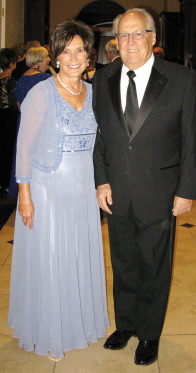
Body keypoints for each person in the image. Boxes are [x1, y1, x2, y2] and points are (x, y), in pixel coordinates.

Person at [92, 8, 196, 366]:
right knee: (123, 262)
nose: (130, 41)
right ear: (115, 42)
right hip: (118, 191)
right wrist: (100, 180)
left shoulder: (181, 79)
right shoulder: (103, 77)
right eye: (123, 35)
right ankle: (125, 324)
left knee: (154, 265)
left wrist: (187, 190)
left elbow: (193, 138)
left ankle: (150, 334)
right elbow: (102, 138)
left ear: (153, 38)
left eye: (138, 33)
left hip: (160, 191)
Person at [8, 18, 109, 361]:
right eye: (67, 51)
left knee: (78, 253)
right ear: (55, 55)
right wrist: (25, 196)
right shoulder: (41, 92)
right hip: (48, 187)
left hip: (83, 187)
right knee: (52, 256)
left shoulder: (94, 91)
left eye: (80, 50)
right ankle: (52, 333)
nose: (75, 57)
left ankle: (78, 322)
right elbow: (24, 147)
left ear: (89, 54)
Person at [8, 46, 51, 199]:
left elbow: (19, 105)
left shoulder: (22, 78)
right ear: (39, 60)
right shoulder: (44, 79)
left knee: (24, 154)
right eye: (46, 57)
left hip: (23, 122)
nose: (49, 60)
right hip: (40, 124)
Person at [0, 48, 18, 196]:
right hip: (8, 119)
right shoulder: (11, 82)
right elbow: (14, 103)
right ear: (12, 63)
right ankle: (6, 184)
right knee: (8, 151)